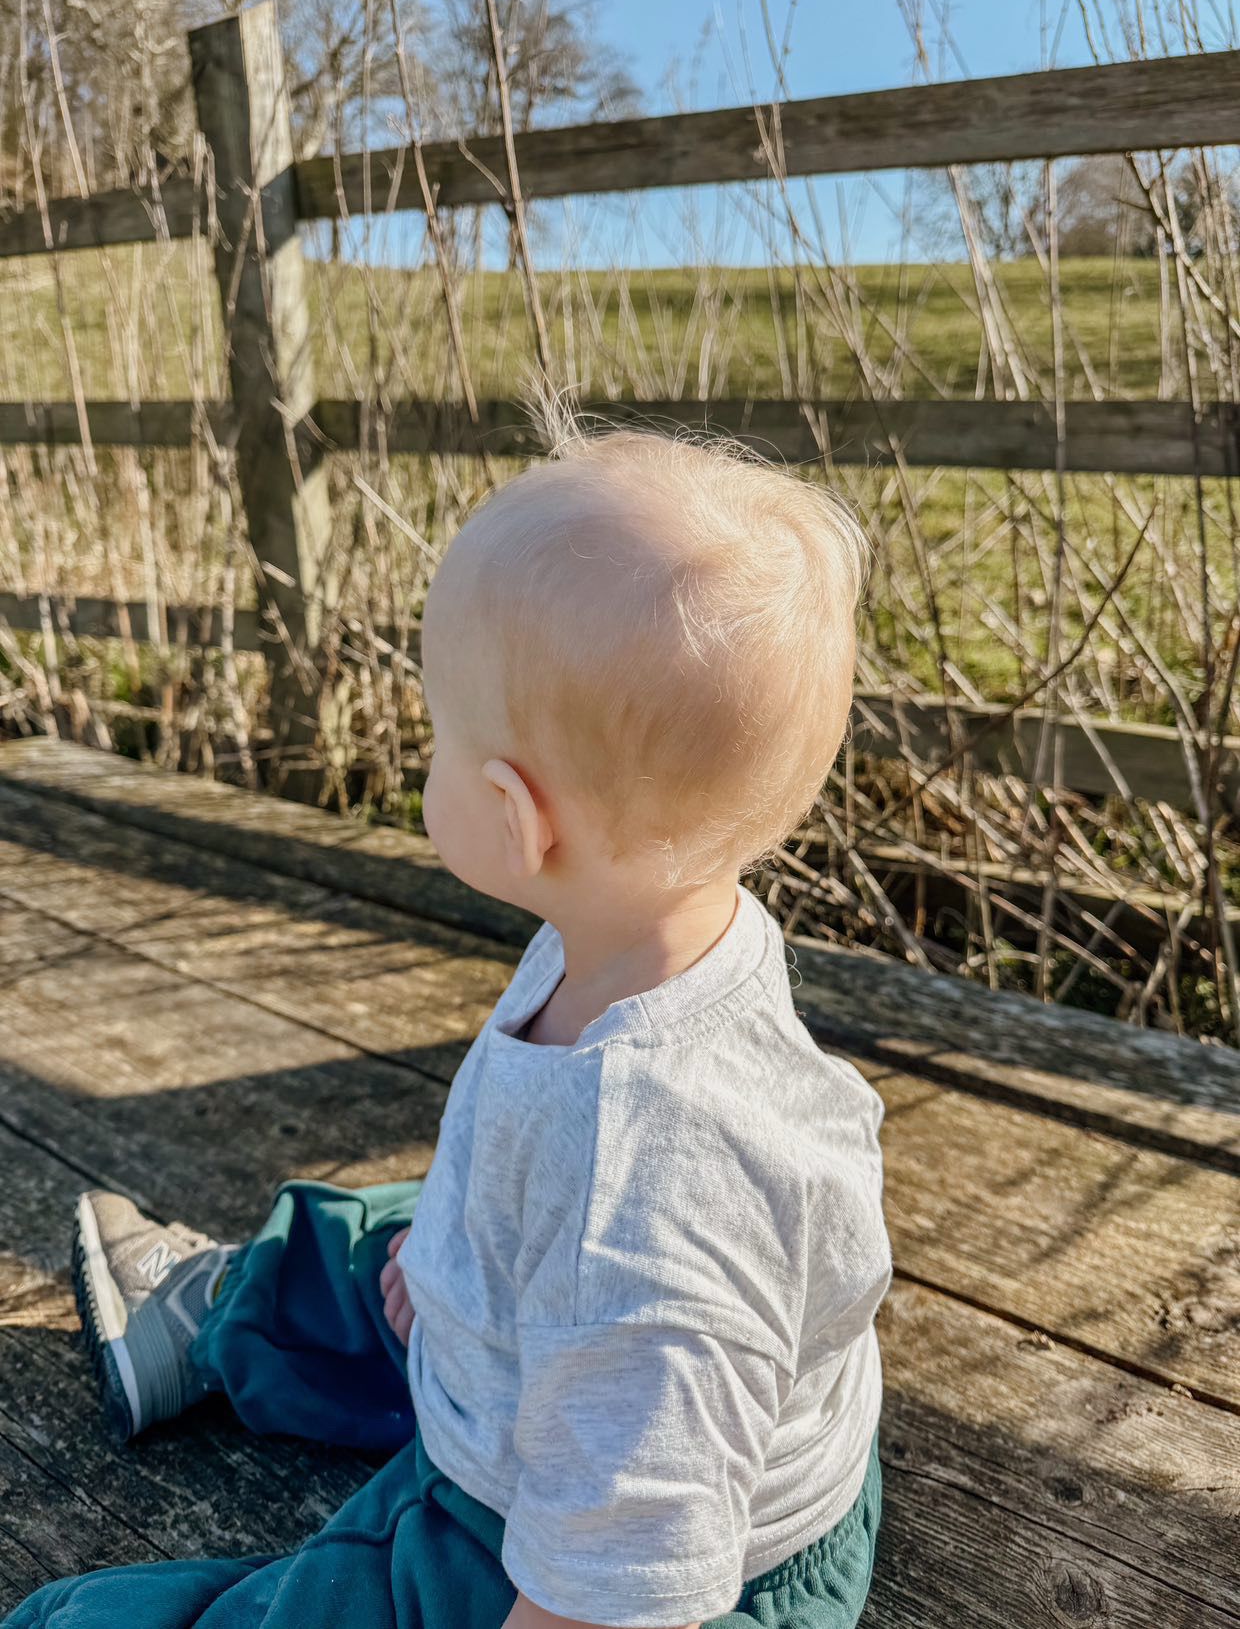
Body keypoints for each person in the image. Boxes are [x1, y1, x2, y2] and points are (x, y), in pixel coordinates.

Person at [7, 419, 891, 1629]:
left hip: (602, 1555)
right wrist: (452, 1262)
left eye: (439, 738)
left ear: (512, 816)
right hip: (633, 1391)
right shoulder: (657, 923)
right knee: (410, 1237)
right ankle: (224, 1313)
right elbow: (533, 1162)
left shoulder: (645, 1214)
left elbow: (624, 1572)